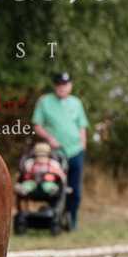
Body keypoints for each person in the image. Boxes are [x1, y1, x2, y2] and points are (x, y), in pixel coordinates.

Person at [32, 71, 88, 228]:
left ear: (70, 86)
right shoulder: (44, 101)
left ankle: (71, 220)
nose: (62, 87)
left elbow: (82, 127)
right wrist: (50, 138)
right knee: (53, 186)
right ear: (54, 86)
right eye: (59, 84)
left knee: (74, 190)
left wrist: (83, 146)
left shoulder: (76, 103)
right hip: (54, 153)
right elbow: (37, 125)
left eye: (65, 84)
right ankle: (51, 218)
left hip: (75, 152)